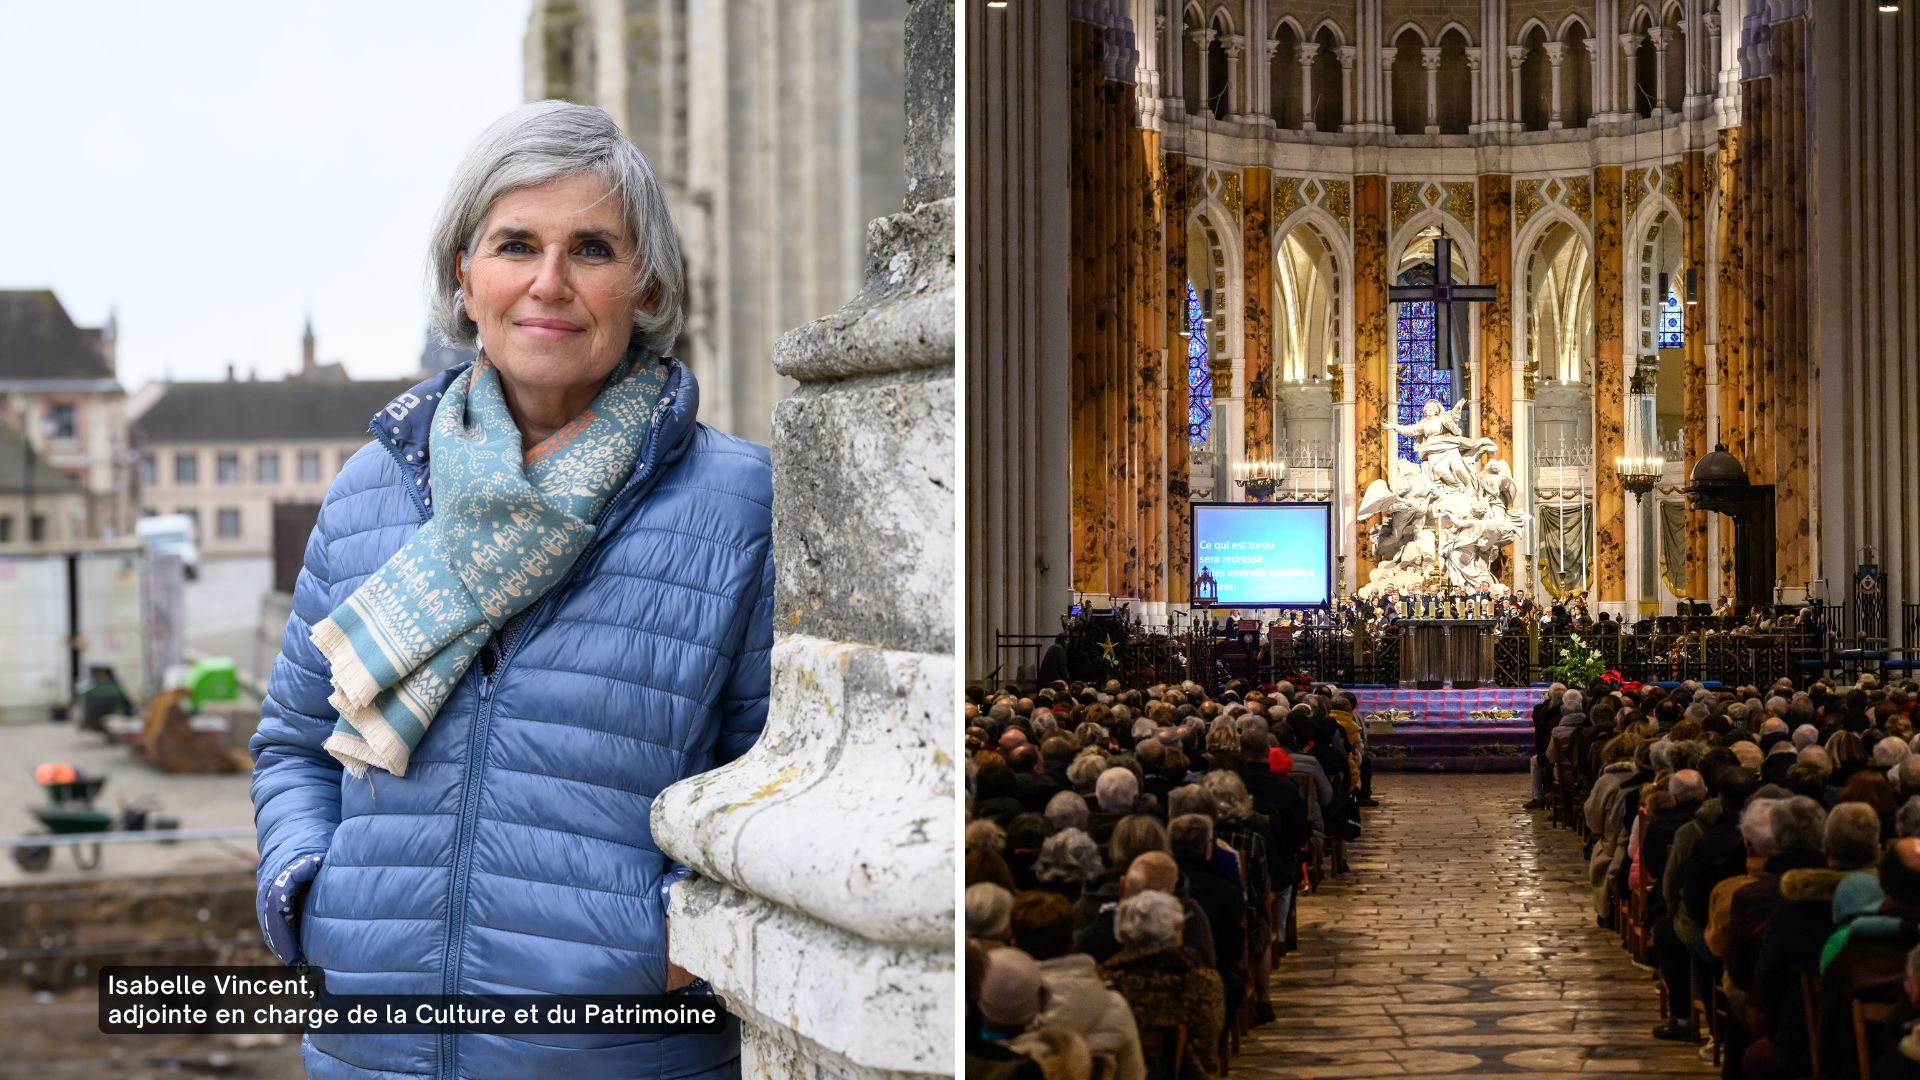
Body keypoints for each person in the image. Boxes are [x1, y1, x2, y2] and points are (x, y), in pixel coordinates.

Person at [249, 102, 773, 1078]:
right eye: (515, 245)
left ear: (644, 281)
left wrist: (664, 943)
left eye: (592, 249)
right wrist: (316, 890)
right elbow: (292, 741)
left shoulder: (739, 502)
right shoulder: (373, 489)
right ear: (465, 274)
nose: (549, 283)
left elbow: (767, 772)